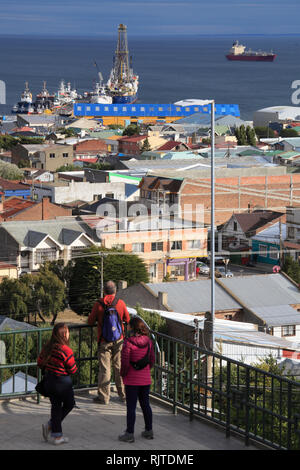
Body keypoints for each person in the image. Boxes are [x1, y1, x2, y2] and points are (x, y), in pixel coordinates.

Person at [88, 280, 130, 405]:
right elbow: (127, 319)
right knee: (119, 367)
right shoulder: (120, 303)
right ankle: (123, 396)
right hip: (119, 340)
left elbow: (90, 321)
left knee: (105, 370)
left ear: (104, 291)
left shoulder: (98, 304)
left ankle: (104, 397)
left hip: (104, 341)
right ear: (115, 291)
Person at [37, 323, 77, 446]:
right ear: (65, 334)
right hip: (62, 383)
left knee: (56, 406)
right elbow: (73, 369)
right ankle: (51, 426)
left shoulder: (47, 347)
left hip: (49, 381)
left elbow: (39, 362)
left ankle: (57, 435)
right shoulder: (66, 350)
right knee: (69, 404)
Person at [118, 316, 155, 443]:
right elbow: (152, 361)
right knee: (146, 405)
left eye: (128, 325)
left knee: (131, 407)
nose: (127, 326)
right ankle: (149, 431)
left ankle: (129, 434)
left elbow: (125, 363)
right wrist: (144, 371)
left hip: (132, 380)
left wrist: (123, 375)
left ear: (132, 327)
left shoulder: (128, 343)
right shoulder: (149, 342)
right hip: (145, 379)